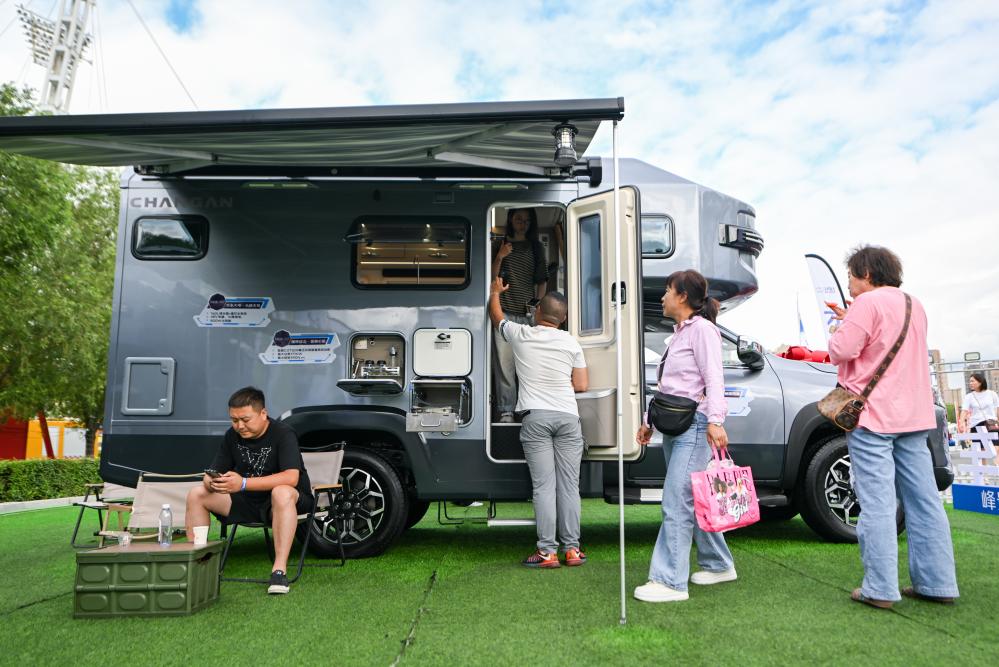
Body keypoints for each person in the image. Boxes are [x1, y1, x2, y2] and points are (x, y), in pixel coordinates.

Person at [827, 245, 959, 609]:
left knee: (877, 502)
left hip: (872, 416)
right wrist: (853, 318)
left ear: (866, 274)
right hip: (914, 415)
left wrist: (841, 324)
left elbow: (840, 350)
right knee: (924, 500)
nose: (849, 284)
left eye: (851, 276)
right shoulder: (915, 304)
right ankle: (937, 583)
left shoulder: (866, 304)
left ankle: (880, 588)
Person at [633, 270, 735, 603]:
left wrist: (715, 420)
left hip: (695, 425)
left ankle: (670, 582)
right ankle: (718, 564)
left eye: (667, 290)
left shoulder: (702, 330)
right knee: (693, 497)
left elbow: (714, 378)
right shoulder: (680, 333)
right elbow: (668, 386)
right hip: (677, 426)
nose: (662, 296)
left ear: (682, 297)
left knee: (676, 501)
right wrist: (648, 421)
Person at [488, 276, 588, 568]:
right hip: (568, 417)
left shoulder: (522, 334)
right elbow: (582, 385)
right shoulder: (571, 342)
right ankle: (572, 550)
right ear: (563, 318)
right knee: (569, 486)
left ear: (537, 312)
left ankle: (547, 552)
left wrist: (495, 292)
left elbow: (497, 318)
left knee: (544, 487)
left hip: (536, 418)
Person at [186, 386, 312, 595]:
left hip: (286, 503)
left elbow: (291, 477)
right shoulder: (232, 436)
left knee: (281, 491)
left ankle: (279, 571)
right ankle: (197, 565)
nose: (240, 426)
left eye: (245, 419)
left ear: (263, 413)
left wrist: (243, 483)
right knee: (197, 494)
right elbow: (213, 471)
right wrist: (212, 482)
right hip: (247, 502)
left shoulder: (283, 433)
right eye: (234, 420)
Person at [492, 208, 549, 423]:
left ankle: (528, 409)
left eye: (526, 220)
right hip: (503, 312)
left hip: (527, 315)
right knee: (504, 365)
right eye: (518, 219)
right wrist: (500, 256)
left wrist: (536, 306)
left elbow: (542, 280)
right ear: (510, 219)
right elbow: (492, 278)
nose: (522, 223)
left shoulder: (536, 247)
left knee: (528, 365)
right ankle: (507, 410)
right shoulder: (501, 244)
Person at [959, 372, 999, 439]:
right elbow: (964, 411)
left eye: (972, 381)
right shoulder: (969, 396)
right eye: (970, 381)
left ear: (980, 382)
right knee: (980, 445)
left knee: (995, 445)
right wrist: (961, 423)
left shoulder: (992, 394)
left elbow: (997, 409)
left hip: (992, 424)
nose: (970, 383)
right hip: (976, 425)